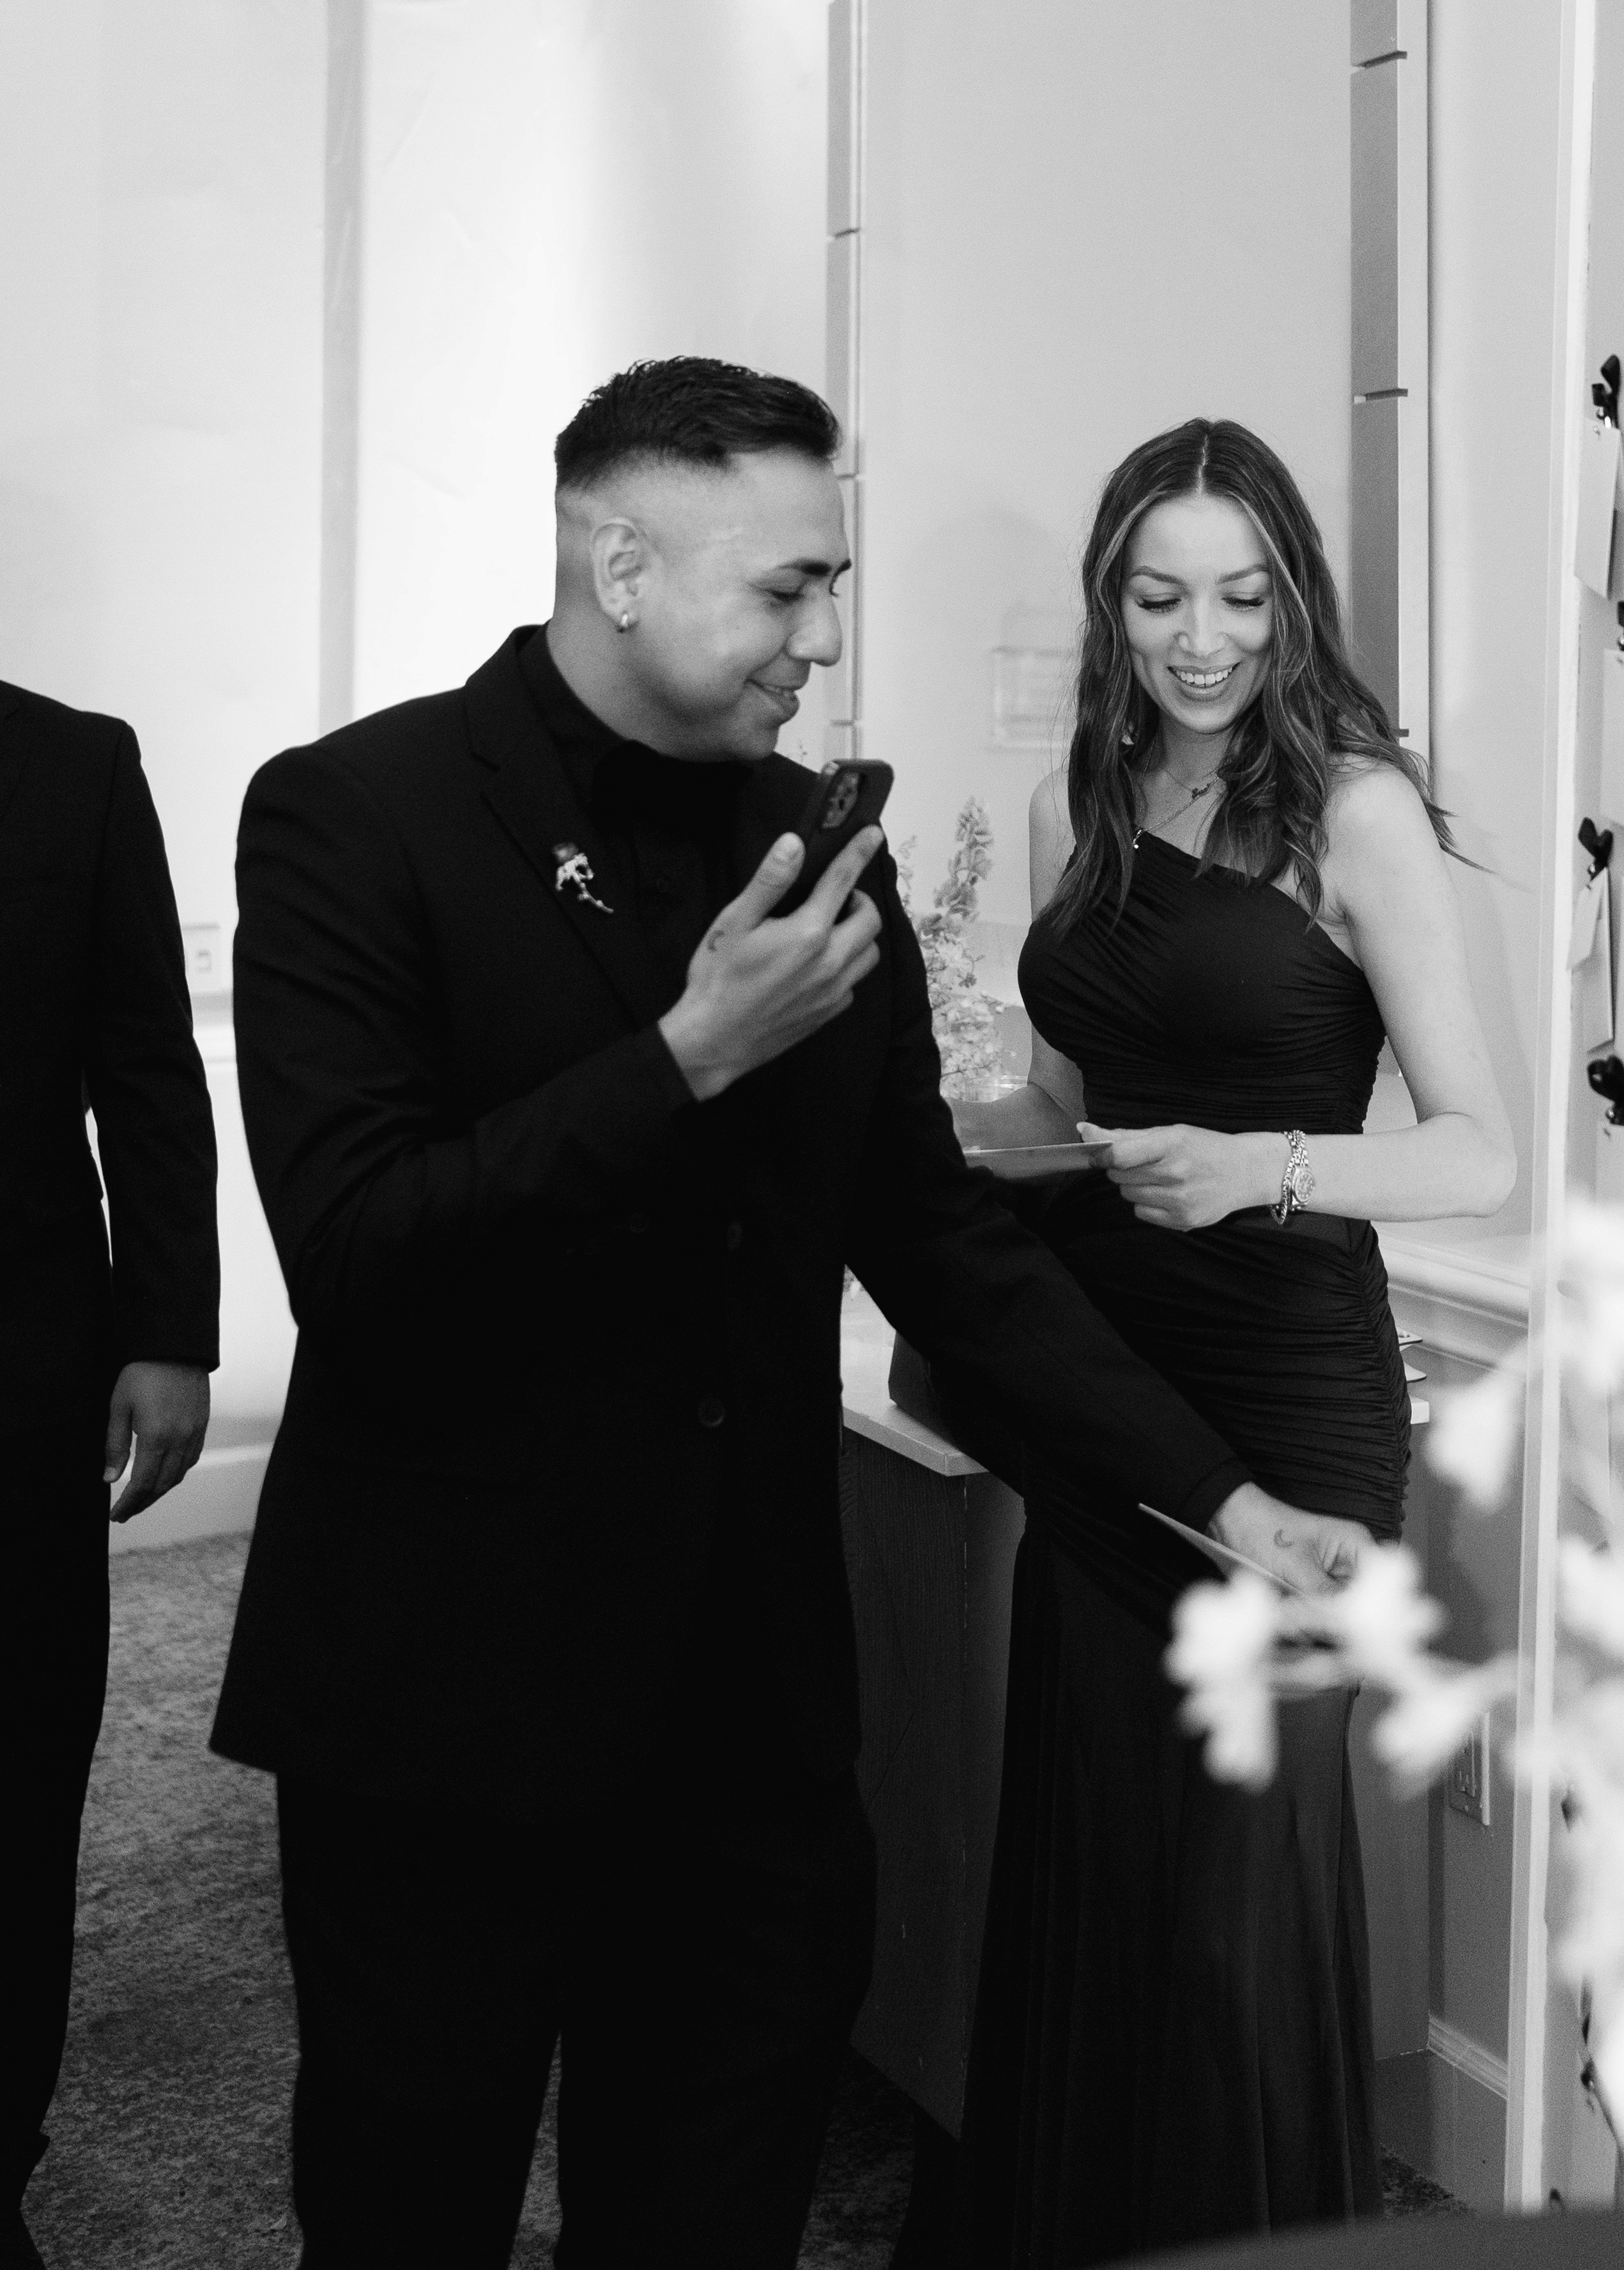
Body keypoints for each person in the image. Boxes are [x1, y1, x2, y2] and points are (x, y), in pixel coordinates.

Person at [211, 358, 1364, 2270]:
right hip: (447, 1709)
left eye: (832, 584)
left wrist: (1227, 1499)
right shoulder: (357, 814)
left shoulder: (821, 844)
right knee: (408, 2215)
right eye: (788, 587)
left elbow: (947, 1244)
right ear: (622, 565)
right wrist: (684, 1058)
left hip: (746, 1724)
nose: (825, 637)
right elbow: (359, 1253)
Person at [947, 416, 1514, 2270]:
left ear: (1294, 600)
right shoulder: (1080, 803)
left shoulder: (1355, 813)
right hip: (1112, 1397)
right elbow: (1064, 1105)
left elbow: (1480, 1148)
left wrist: (1261, 1164)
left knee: (1230, 1904)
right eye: (1159, 597)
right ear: (1109, 602)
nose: (1201, 641)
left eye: (1243, 598)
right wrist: (954, 1126)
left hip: (1288, 1398)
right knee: (1104, 1853)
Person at [1, 679, 219, 2270]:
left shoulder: (74, 765)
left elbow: (147, 1060)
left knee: (18, 1779)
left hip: (22, 1366)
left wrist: (171, 1329)